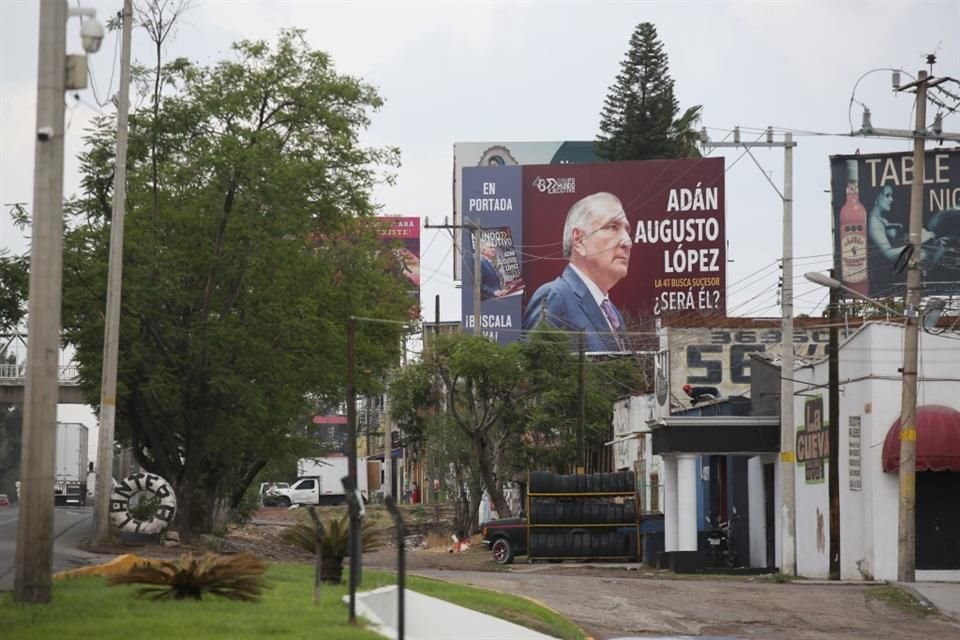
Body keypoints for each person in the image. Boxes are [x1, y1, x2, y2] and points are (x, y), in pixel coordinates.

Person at [522, 192, 631, 351]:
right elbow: (533, 372)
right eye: (613, 227)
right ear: (579, 240)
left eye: (628, 231)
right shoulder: (554, 297)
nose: (628, 242)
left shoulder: (614, 314)